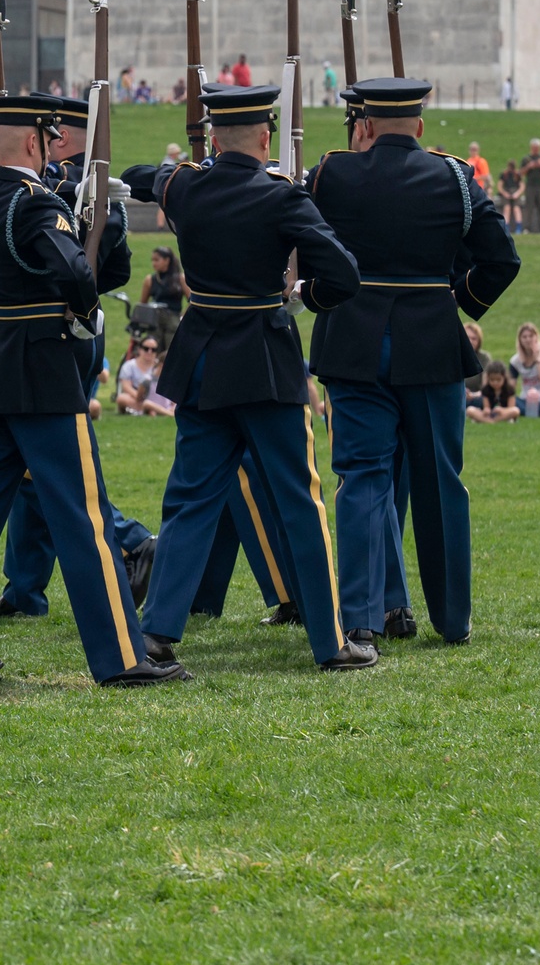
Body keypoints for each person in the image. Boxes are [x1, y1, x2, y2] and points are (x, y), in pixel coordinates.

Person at [0, 92, 183, 685]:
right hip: (44, 369)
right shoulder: (35, 203)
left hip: (0, 364)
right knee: (84, 516)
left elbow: (96, 264)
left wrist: (102, 224)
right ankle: (120, 656)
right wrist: (85, 292)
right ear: (38, 141)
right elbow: (77, 274)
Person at [122, 82, 371, 672]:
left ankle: (157, 630)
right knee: (299, 501)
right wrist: (309, 293)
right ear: (266, 138)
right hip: (263, 358)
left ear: (212, 136)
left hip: (203, 358)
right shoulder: (280, 196)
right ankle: (329, 641)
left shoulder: (184, 185)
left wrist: (185, 168)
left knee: (188, 500)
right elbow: (344, 272)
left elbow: (141, 175)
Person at [309, 77, 520, 647]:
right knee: (440, 483)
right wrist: (457, 302)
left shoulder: (333, 172)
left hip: (353, 342)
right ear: (421, 127)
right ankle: (453, 619)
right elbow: (502, 259)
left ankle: (361, 619)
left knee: (362, 479)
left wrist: (318, 295)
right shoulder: (454, 175)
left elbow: (306, 243)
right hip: (430, 343)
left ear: (366, 125)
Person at [509, 321, 540, 416]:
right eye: (524, 337)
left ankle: (531, 413)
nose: (528, 340)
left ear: (536, 337)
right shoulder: (515, 361)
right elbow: (511, 387)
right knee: (511, 399)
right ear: (520, 340)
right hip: (527, 400)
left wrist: (538, 360)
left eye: (531, 336)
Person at [141, 246, 186, 352]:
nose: (154, 263)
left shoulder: (180, 279)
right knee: (153, 350)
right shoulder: (150, 280)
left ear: (167, 260)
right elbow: (143, 304)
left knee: (172, 351)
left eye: (157, 260)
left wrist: (183, 316)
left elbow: (192, 300)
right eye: (152, 260)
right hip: (155, 321)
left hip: (173, 320)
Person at [116, 338, 159, 415]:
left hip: (155, 398)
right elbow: (126, 387)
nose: (149, 351)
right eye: (146, 348)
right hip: (135, 397)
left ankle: (149, 409)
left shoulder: (159, 367)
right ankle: (152, 410)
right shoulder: (129, 365)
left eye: (153, 349)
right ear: (140, 349)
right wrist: (140, 397)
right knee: (122, 398)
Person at [497, 161, 523, 230]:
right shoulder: (504, 174)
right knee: (507, 208)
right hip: (506, 191)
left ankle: (519, 227)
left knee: (516, 208)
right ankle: (506, 226)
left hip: (515, 192)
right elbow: (500, 186)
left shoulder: (517, 174)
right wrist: (505, 193)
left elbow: (522, 186)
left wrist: (517, 193)